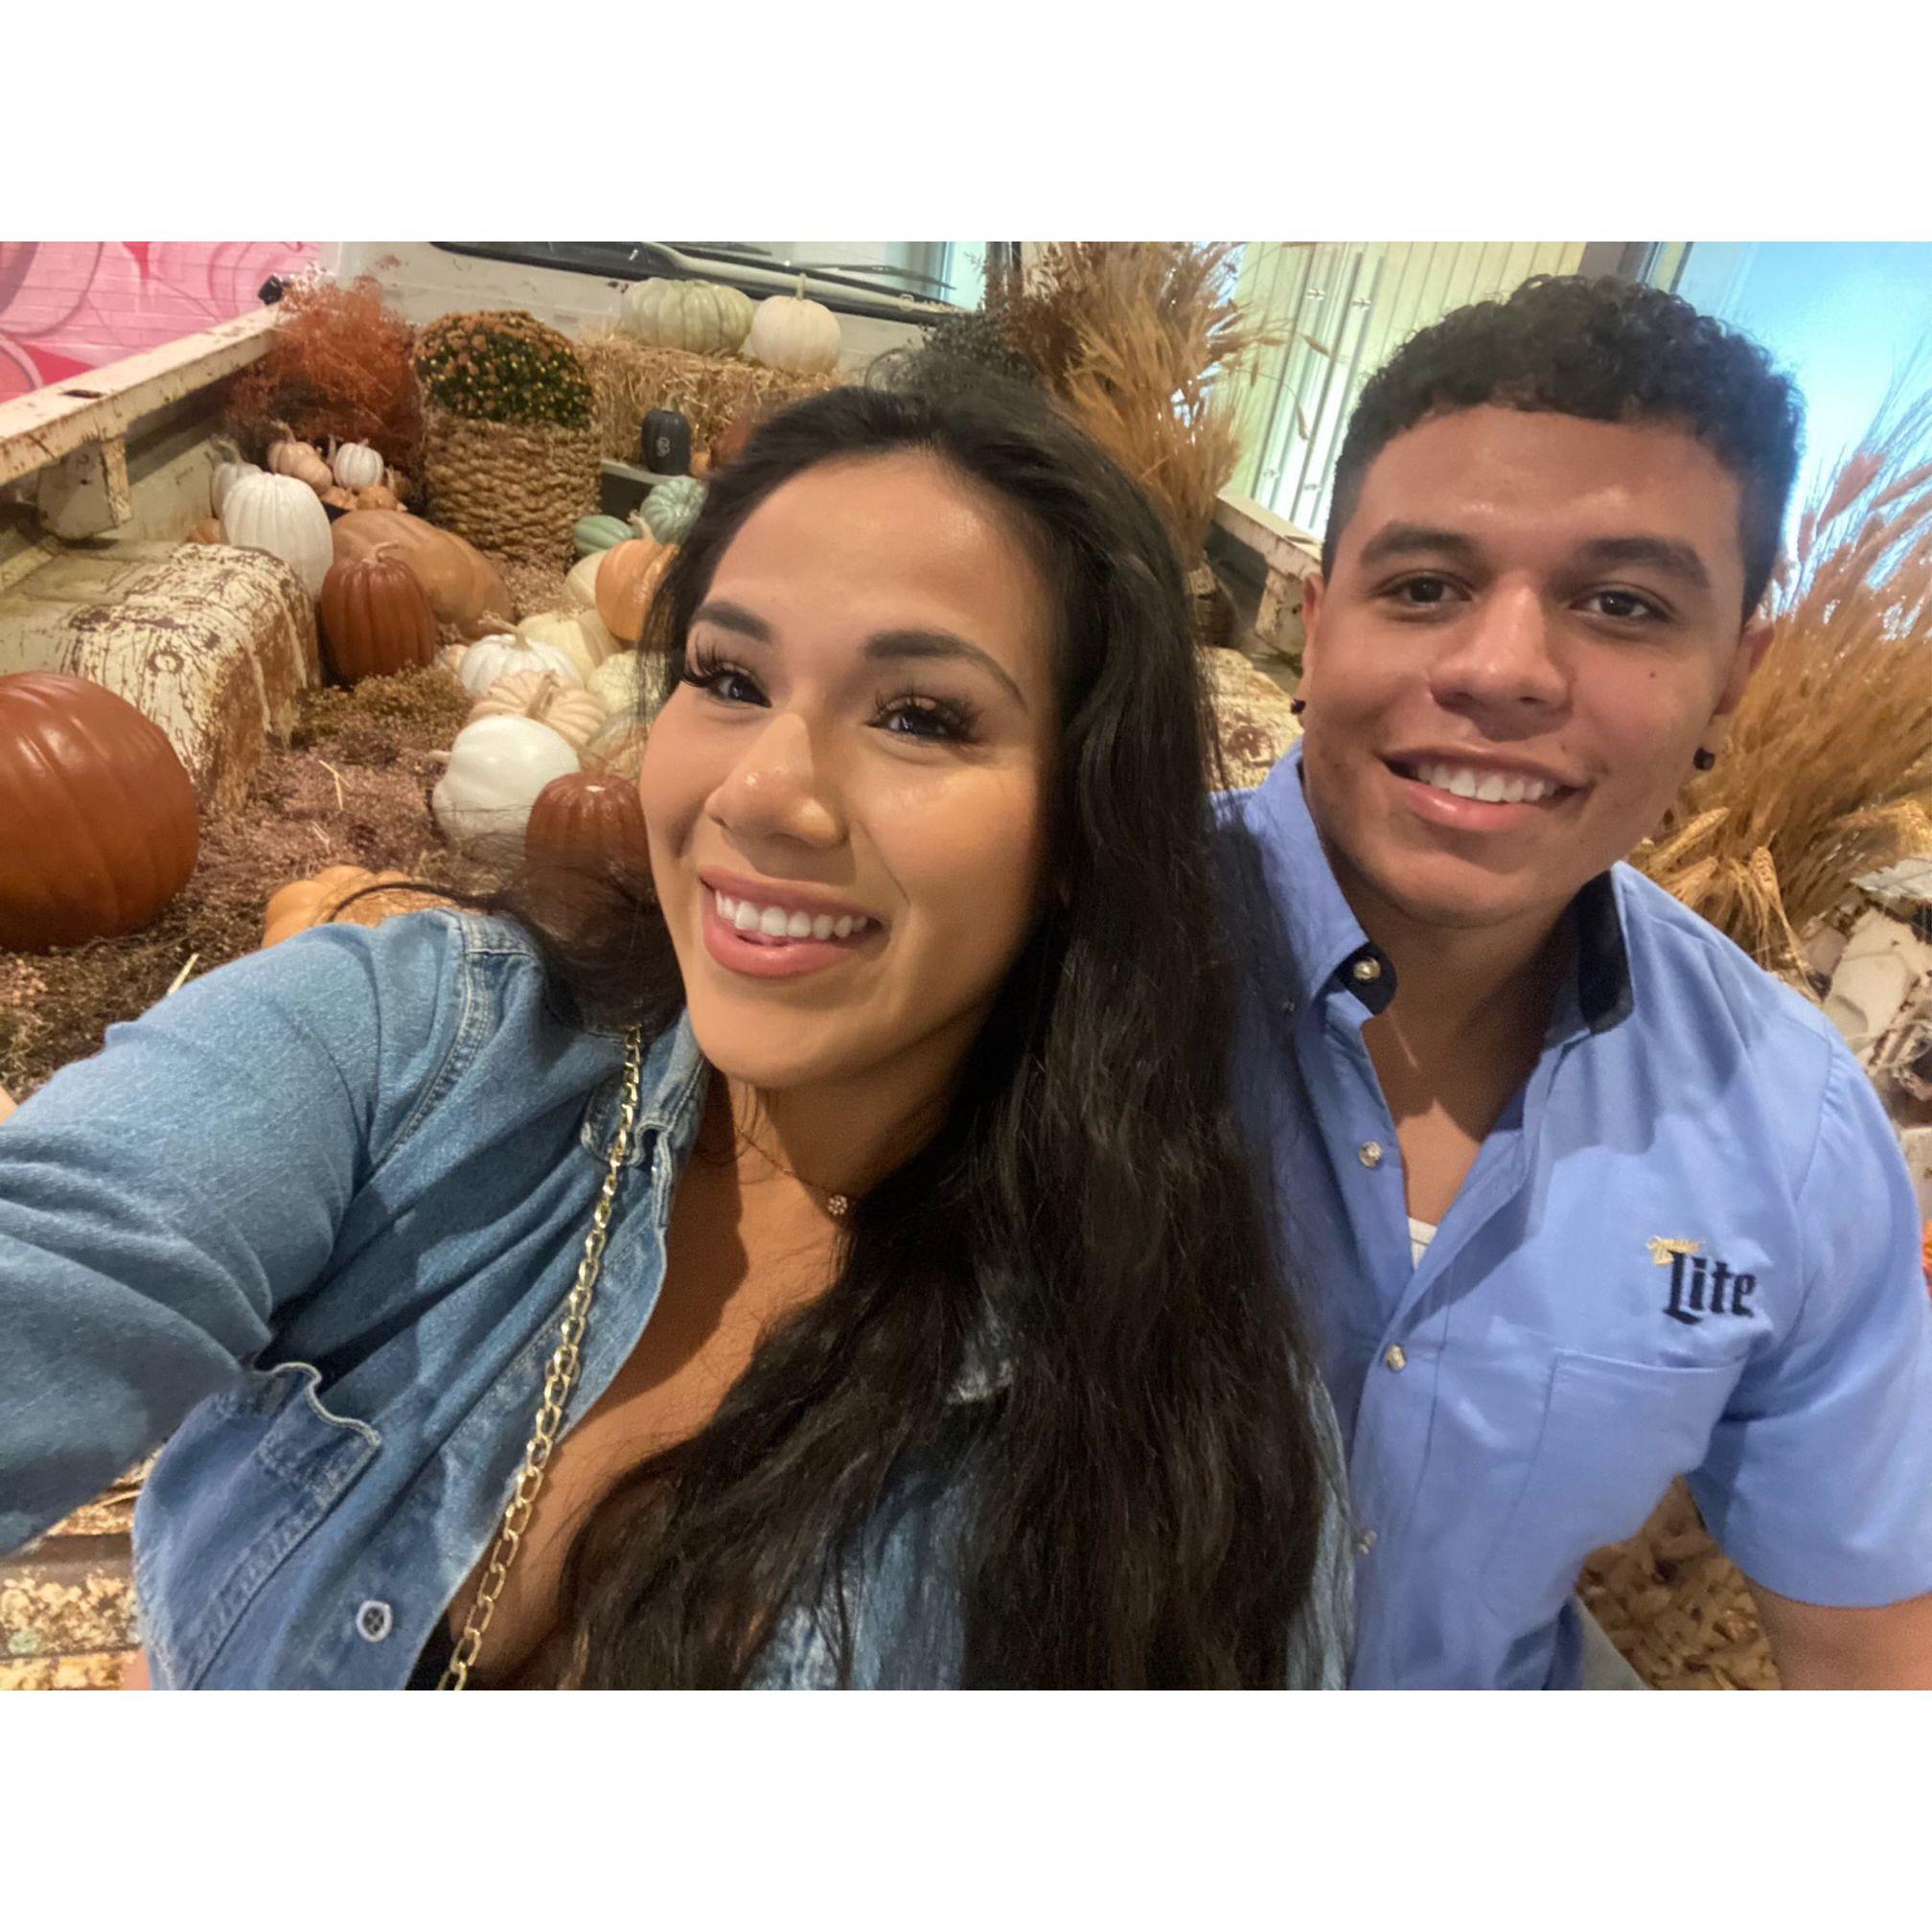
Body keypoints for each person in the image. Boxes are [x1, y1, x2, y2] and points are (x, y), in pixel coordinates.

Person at [0, 380, 1350, 1690]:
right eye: (730, 677)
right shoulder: (412, 1044)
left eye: (920, 716)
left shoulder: (1186, 1440)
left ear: (1079, 826)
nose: (761, 794)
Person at [1228, 274, 1932, 1690]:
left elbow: (1874, 1661)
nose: (1504, 670)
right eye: (1424, 587)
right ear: (1317, 618)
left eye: (1621, 604)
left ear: (1733, 676)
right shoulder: (1044, 966)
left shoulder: (1790, 1141)